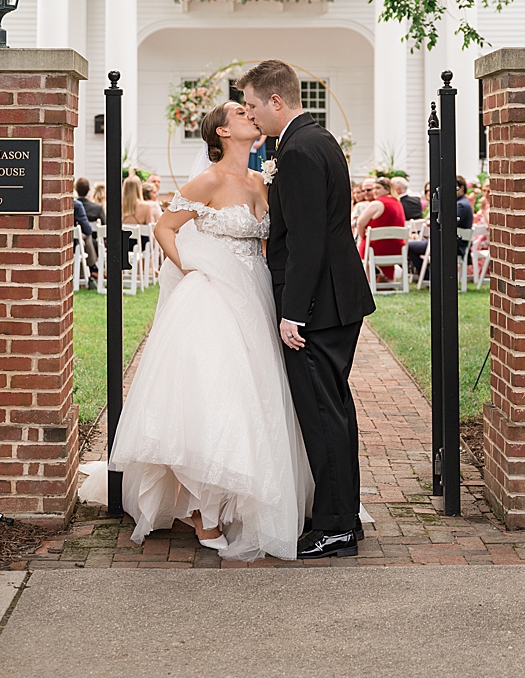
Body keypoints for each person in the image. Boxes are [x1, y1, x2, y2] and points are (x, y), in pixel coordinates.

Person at [80, 102, 310, 559]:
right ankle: (204, 508)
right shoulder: (207, 179)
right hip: (213, 294)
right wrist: (194, 266)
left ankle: (239, 495)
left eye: (251, 110)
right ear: (223, 131)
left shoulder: (263, 180)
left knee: (256, 391)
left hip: (255, 290)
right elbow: (166, 228)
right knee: (217, 390)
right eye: (241, 113)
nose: (251, 115)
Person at [242, 59, 374, 559]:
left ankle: (336, 526)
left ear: (277, 101)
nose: (252, 117)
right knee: (335, 411)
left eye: (254, 106)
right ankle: (343, 517)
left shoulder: (296, 152)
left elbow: (307, 243)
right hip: (339, 300)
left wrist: (293, 312)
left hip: (317, 309)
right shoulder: (317, 140)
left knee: (322, 415)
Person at [355, 178, 407, 282]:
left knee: (362, 246)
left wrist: (362, 238)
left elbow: (360, 223)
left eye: (378, 188)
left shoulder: (377, 203)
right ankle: (387, 279)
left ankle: (369, 282)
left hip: (376, 248)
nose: (374, 191)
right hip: (397, 247)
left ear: (387, 189)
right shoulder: (398, 203)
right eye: (373, 188)